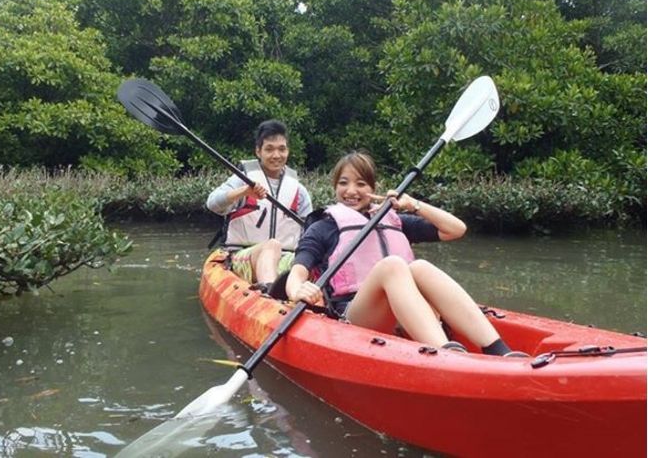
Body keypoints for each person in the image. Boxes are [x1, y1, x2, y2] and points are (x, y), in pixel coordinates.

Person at [285, 151, 526, 357]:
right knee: (393, 266)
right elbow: (298, 269)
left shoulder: (393, 219)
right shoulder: (324, 226)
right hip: (354, 316)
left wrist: (415, 205)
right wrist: (297, 290)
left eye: (361, 184)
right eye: (343, 183)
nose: (351, 191)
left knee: (419, 267)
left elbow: (456, 229)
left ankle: (498, 349)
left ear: (373, 188)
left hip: (408, 311)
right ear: (335, 186)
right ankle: (444, 351)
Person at [206, 120, 312, 292]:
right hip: (242, 257)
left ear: (288, 150)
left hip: (285, 258)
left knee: (304, 261)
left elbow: (310, 233)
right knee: (272, 245)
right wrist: (244, 192)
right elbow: (212, 203)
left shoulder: (300, 192)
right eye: (269, 149)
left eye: (282, 149)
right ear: (258, 151)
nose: (276, 155)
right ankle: (270, 291)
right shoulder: (243, 180)